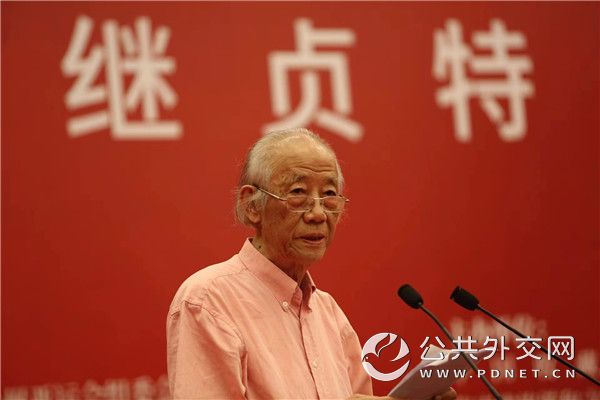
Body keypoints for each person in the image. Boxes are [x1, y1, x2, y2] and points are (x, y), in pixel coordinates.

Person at [166, 128, 457, 400]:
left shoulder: (329, 313)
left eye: (329, 195)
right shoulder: (208, 301)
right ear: (252, 205)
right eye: (297, 193)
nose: (318, 214)